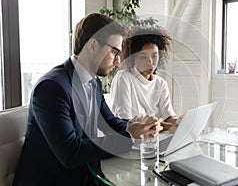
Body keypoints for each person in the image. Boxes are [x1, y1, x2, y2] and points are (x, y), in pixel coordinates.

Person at [13, 13, 162, 186]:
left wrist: (141, 128)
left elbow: (110, 122)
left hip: (85, 175)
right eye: (115, 51)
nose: (118, 60)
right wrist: (128, 135)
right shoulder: (51, 88)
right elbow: (71, 153)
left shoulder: (94, 82)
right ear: (92, 45)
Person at [110, 26, 178, 131]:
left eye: (154, 56)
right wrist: (168, 126)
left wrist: (181, 123)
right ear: (133, 57)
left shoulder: (160, 83)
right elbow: (125, 121)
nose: (150, 62)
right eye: (143, 57)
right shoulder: (124, 78)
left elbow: (169, 117)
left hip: (156, 138)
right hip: (131, 141)